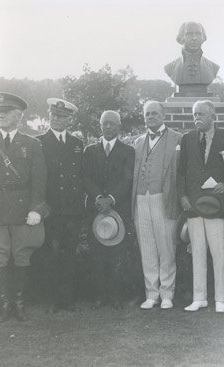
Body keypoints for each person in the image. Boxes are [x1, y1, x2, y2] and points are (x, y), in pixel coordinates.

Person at [0, 92, 48, 322]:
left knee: (22, 255)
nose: (0, 115)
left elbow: (40, 178)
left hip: (24, 208)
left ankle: (20, 303)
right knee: (0, 255)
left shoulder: (32, 144)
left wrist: (36, 208)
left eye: (5, 112)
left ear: (18, 116)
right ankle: (6, 304)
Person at [177, 100, 224, 313]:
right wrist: (183, 196)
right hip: (193, 204)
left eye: (201, 114)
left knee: (219, 252)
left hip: (217, 204)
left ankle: (220, 298)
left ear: (213, 116)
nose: (197, 118)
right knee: (198, 252)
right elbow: (181, 171)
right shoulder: (187, 139)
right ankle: (199, 297)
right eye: (194, 114)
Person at [132, 101, 182, 310]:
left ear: (163, 115)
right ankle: (151, 294)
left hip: (165, 197)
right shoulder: (137, 142)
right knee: (148, 248)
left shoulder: (177, 139)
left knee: (166, 247)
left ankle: (167, 294)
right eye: (147, 114)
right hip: (141, 198)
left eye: (154, 113)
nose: (150, 117)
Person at [82, 110, 135, 309]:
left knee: (117, 254)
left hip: (118, 209)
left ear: (119, 126)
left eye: (113, 123)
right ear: (100, 126)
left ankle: (116, 295)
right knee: (97, 253)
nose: (109, 127)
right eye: (105, 123)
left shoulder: (128, 151)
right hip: (95, 209)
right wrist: (99, 198)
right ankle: (100, 294)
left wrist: (111, 199)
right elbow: (85, 178)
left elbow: (128, 179)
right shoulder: (90, 150)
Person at [36, 98, 84, 313]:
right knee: (51, 254)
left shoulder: (76, 144)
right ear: (49, 116)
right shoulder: (39, 142)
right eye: (54, 115)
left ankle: (68, 299)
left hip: (72, 210)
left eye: (62, 116)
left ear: (69, 120)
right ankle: (54, 299)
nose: (57, 119)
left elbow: (79, 177)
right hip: (51, 210)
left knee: (69, 254)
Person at [164, 22, 220, 88]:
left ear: (202, 38)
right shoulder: (170, 68)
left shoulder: (213, 67)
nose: (194, 38)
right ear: (181, 37)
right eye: (189, 34)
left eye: (198, 34)